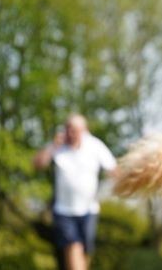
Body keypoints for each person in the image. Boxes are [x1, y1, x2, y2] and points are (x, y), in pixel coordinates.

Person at [33, 114, 120, 270]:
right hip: (63, 210)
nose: (71, 133)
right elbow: (37, 164)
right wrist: (53, 147)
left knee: (83, 253)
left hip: (89, 210)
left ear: (85, 130)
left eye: (76, 129)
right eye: (69, 129)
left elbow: (113, 169)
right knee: (74, 247)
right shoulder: (58, 147)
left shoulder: (95, 146)